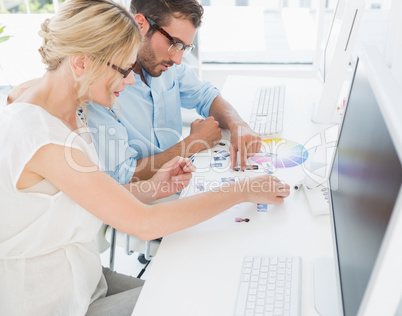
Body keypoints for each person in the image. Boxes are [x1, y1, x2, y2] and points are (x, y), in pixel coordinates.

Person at [0, 0, 289, 315]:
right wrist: (242, 190)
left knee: (199, 286)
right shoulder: (40, 136)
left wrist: (152, 187)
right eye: (124, 70)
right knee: (203, 300)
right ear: (81, 64)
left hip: (84, 277)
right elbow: (144, 224)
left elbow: (89, 195)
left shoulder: (73, 108)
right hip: (54, 303)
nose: (129, 80)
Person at [86, 0, 262, 185]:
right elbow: (121, 174)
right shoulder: (102, 89)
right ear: (140, 24)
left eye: (184, 48)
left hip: (181, 177)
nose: (177, 59)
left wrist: (238, 124)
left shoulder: (164, 66)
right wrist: (192, 143)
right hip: (145, 195)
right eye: (174, 43)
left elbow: (206, 96)